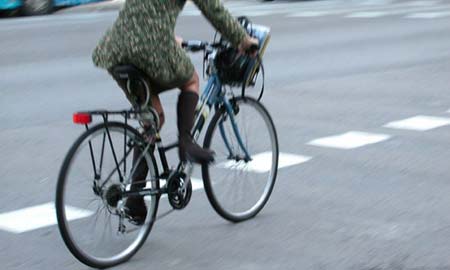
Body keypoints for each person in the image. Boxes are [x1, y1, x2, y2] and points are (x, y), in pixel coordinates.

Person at [92, 0, 258, 223]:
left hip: (116, 47)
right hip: (147, 46)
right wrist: (243, 40)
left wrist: (168, 37)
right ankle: (186, 143)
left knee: (154, 118)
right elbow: (213, 9)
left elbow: (146, 12)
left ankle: (135, 198)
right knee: (191, 80)